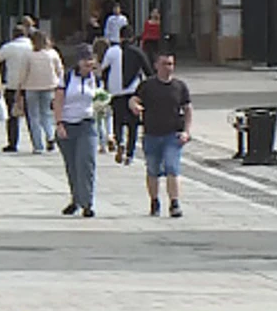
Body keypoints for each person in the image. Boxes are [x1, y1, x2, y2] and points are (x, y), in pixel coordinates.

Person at [129, 51, 192, 218]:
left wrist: (186, 131)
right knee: (153, 169)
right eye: (164, 64)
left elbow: (187, 109)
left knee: (172, 167)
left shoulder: (180, 86)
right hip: (152, 134)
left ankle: (174, 203)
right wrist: (135, 106)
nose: (168, 68)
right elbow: (134, 99)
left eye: (170, 64)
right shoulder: (148, 85)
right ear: (156, 65)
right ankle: (154, 201)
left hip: (173, 134)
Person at [54, 46, 101, 216]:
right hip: (67, 124)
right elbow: (58, 101)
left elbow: (100, 100)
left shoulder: (96, 79)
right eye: (85, 60)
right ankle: (76, 199)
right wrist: (59, 123)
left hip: (87, 124)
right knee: (72, 165)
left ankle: (87, 203)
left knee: (86, 163)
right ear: (79, 61)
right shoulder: (67, 77)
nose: (89, 63)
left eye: (91, 60)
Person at [101, 33, 149, 165]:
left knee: (118, 120)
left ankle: (119, 141)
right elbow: (148, 70)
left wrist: (106, 86)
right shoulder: (138, 52)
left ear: (119, 37)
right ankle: (130, 153)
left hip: (116, 92)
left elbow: (103, 69)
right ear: (132, 38)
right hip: (133, 91)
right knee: (133, 124)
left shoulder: (112, 51)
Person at [15, 30, 63, 154]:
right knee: (46, 113)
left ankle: (38, 145)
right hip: (49, 86)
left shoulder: (28, 55)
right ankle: (50, 135)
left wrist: (19, 88)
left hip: (31, 87)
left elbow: (23, 73)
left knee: (33, 116)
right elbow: (59, 70)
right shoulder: (52, 54)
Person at [0, 24, 34, 152]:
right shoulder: (33, 47)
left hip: (13, 84)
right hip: (30, 85)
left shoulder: (10, 47)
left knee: (13, 116)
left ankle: (13, 143)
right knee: (33, 115)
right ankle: (37, 141)